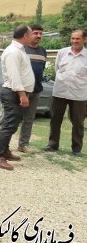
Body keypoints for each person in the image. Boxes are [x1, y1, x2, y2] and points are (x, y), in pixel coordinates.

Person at [0, 25, 35, 170]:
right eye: (31, 34)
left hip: (15, 92)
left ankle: (5, 151)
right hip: (13, 92)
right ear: (25, 36)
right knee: (9, 125)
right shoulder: (13, 52)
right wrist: (22, 94)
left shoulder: (19, 50)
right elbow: (14, 75)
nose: (33, 37)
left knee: (13, 125)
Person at [43, 29, 87, 157]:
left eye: (77, 39)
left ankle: (76, 148)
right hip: (60, 92)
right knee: (55, 119)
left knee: (78, 122)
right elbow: (57, 69)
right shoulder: (62, 53)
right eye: (72, 38)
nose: (74, 41)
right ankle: (52, 144)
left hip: (79, 94)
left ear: (84, 39)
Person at [18, 24, 47, 153]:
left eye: (40, 33)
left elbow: (42, 69)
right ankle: (4, 146)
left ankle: (23, 145)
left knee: (29, 119)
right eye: (35, 33)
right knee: (13, 118)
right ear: (29, 34)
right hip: (21, 91)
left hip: (36, 91)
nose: (38, 36)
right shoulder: (22, 49)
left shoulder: (43, 51)